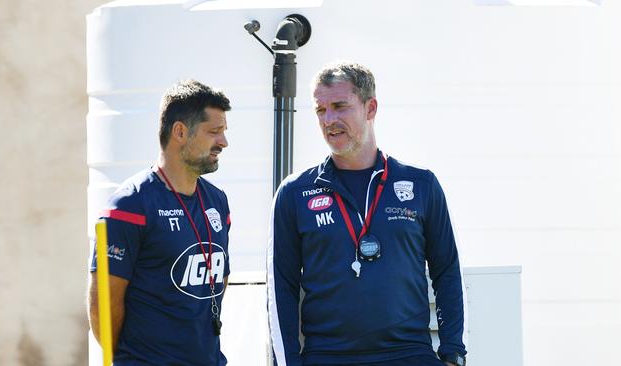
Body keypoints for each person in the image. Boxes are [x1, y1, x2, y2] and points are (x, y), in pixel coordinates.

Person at [267, 62, 467, 366]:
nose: (329, 120)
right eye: (320, 110)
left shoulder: (420, 184)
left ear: (370, 108)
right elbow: (280, 288)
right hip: (328, 356)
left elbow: (447, 271)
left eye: (340, 106)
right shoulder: (294, 193)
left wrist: (453, 353)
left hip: (409, 355)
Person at [88, 79, 232, 365]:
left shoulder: (218, 201)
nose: (224, 142)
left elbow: (217, 284)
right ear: (181, 131)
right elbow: (102, 305)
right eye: (214, 132)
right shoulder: (129, 204)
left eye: (224, 132)